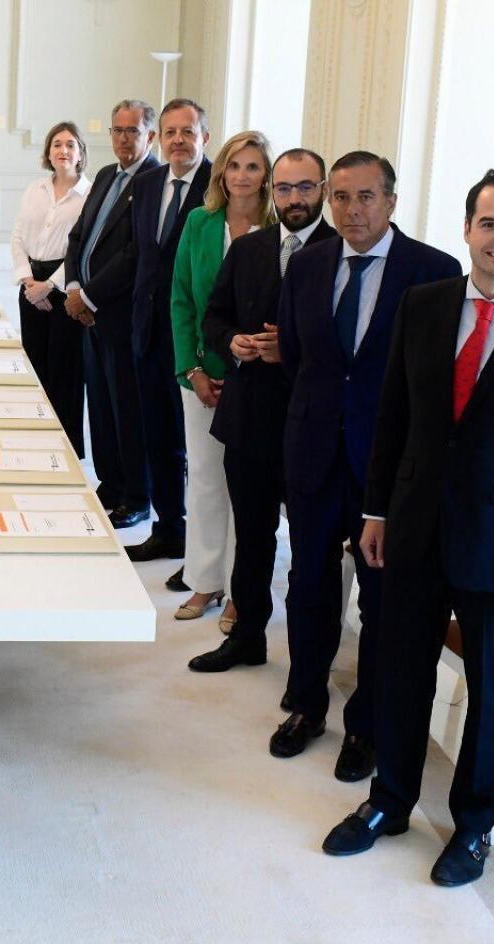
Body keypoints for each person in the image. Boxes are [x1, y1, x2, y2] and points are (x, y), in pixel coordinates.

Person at [323, 170, 494, 886]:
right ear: (467, 229)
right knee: (401, 674)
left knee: (491, 694)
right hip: (414, 531)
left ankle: (474, 830)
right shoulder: (423, 306)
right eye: (489, 223)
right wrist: (377, 509)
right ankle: (389, 802)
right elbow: (394, 419)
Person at [274, 151, 460, 776]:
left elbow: (432, 383)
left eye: (367, 198)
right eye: (342, 198)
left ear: (392, 201)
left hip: (389, 471)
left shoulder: (434, 272)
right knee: (309, 586)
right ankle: (305, 704)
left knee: (381, 601)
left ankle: (368, 727)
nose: (353, 211)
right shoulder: (307, 265)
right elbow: (302, 360)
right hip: (314, 455)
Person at [191, 148, 337, 675]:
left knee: (308, 552)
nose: (294, 198)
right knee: (251, 539)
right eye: (285, 188)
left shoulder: (342, 250)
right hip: (249, 417)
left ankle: (308, 668)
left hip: (311, 428)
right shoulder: (249, 248)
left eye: (305, 187)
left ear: (321, 189)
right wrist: (232, 342)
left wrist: (289, 350)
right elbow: (214, 316)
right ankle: (247, 636)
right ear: (272, 191)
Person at [167, 130, 273, 631]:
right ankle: (205, 581)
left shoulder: (279, 230)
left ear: (266, 175)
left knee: (247, 490)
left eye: (253, 166)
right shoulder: (200, 222)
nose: (242, 176)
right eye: (234, 165)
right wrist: (192, 370)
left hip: (259, 383)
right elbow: (183, 299)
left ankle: (240, 590)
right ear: (222, 172)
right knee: (206, 480)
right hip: (204, 375)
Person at [63, 99, 160, 528]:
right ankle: (110, 482)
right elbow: (79, 235)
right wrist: (72, 286)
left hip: (121, 315)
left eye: (133, 131)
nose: (124, 138)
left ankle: (137, 496)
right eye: (118, 131)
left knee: (128, 409)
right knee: (99, 405)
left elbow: (135, 253)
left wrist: (91, 296)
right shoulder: (105, 175)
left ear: (150, 136)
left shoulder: (156, 181)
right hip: (89, 311)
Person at [124, 97, 212, 564]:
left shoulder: (220, 186)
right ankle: (168, 527)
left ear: (204, 138)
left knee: (194, 448)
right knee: (157, 433)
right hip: (147, 331)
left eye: (188, 132)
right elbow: (142, 259)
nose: (179, 140)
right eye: (171, 132)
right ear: (160, 137)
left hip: (194, 338)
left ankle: (202, 546)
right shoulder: (149, 181)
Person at [10, 121, 91, 456]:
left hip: (64, 285)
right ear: (48, 152)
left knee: (65, 371)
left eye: (70, 144)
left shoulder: (88, 195)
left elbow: (82, 248)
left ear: (80, 153)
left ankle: (66, 447)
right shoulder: (35, 190)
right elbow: (18, 236)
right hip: (31, 284)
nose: (63, 150)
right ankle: (36, 437)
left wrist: (50, 287)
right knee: (35, 365)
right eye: (57, 144)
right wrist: (28, 282)